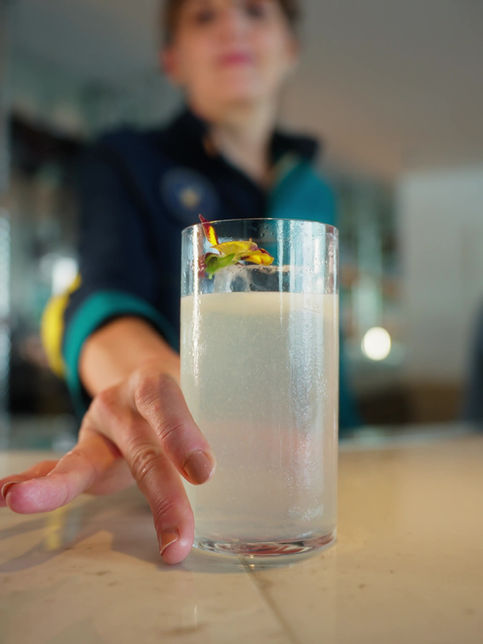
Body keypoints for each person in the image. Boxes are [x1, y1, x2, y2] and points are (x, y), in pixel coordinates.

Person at [0, 0, 359, 564]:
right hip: (199, 481)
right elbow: (100, 293)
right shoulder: (126, 159)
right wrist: (147, 381)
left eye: (255, 11)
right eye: (204, 16)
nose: (232, 25)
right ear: (172, 60)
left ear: (290, 48)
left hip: (323, 475)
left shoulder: (315, 191)